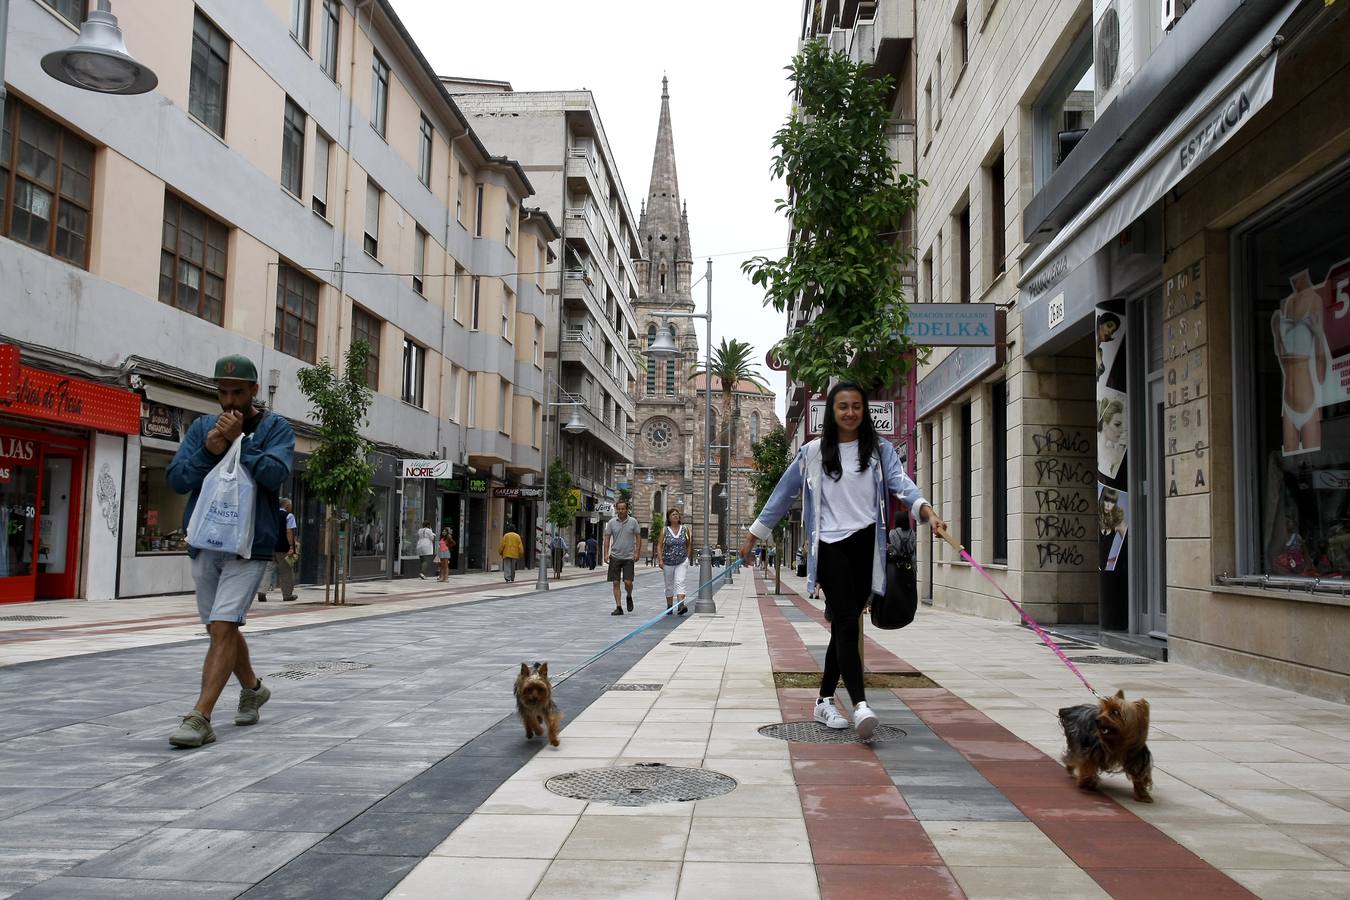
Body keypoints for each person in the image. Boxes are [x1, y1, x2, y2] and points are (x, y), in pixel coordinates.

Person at [740, 382, 945, 740]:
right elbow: (781, 495)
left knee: (846, 626)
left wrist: (926, 510)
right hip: (830, 544)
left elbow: (902, 484)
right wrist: (754, 535)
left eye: (856, 407)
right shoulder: (812, 453)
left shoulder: (879, 451)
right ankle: (861, 704)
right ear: (831, 414)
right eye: (842, 407)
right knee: (848, 620)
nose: (850, 413)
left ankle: (823, 700)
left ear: (864, 412)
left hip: (867, 543)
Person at [165, 354, 294, 749]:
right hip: (206, 541)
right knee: (220, 627)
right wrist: (209, 450)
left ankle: (200, 716)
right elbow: (176, 479)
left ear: (254, 390)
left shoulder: (275, 429)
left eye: (238, 392)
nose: (230, 401)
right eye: (223, 392)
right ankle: (252, 688)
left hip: (250, 546)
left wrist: (240, 443)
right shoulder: (204, 428)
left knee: (222, 627)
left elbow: (276, 475)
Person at [603, 500, 642, 615]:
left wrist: (637, 552)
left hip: (628, 557)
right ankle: (619, 607)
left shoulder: (633, 522)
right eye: (618, 509)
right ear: (616, 509)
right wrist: (606, 553)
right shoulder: (611, 522)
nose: (620, 511)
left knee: (628, 582)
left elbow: (638, 538)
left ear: (627, 509)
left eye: (623, 509)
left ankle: (629, 595)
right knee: (615, 582)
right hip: (615, 556)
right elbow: (607, 538)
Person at [257, 498, 298, 603]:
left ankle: (262, 591)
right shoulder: (289, 516)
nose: (291, 507)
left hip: (270, 546)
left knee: (267, 569)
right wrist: (291, 547)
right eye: (290, 505)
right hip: (283, 548)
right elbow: (289, 531)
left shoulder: (272, 515)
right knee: (286, 571)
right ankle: (287, 594)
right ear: (287, 506)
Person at [656, 508, 693, 615]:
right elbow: (659, 545)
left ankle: (681, 605)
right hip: (667, 562)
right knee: (669, 585)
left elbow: (689, 543)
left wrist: (687, 558)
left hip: (681, 561)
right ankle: (669, 606)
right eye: (673, 515)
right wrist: (660, 560)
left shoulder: (685, 529)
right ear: (669, 518)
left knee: (680, 582)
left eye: (677, 514)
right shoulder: (665, 530)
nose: (675, 516)